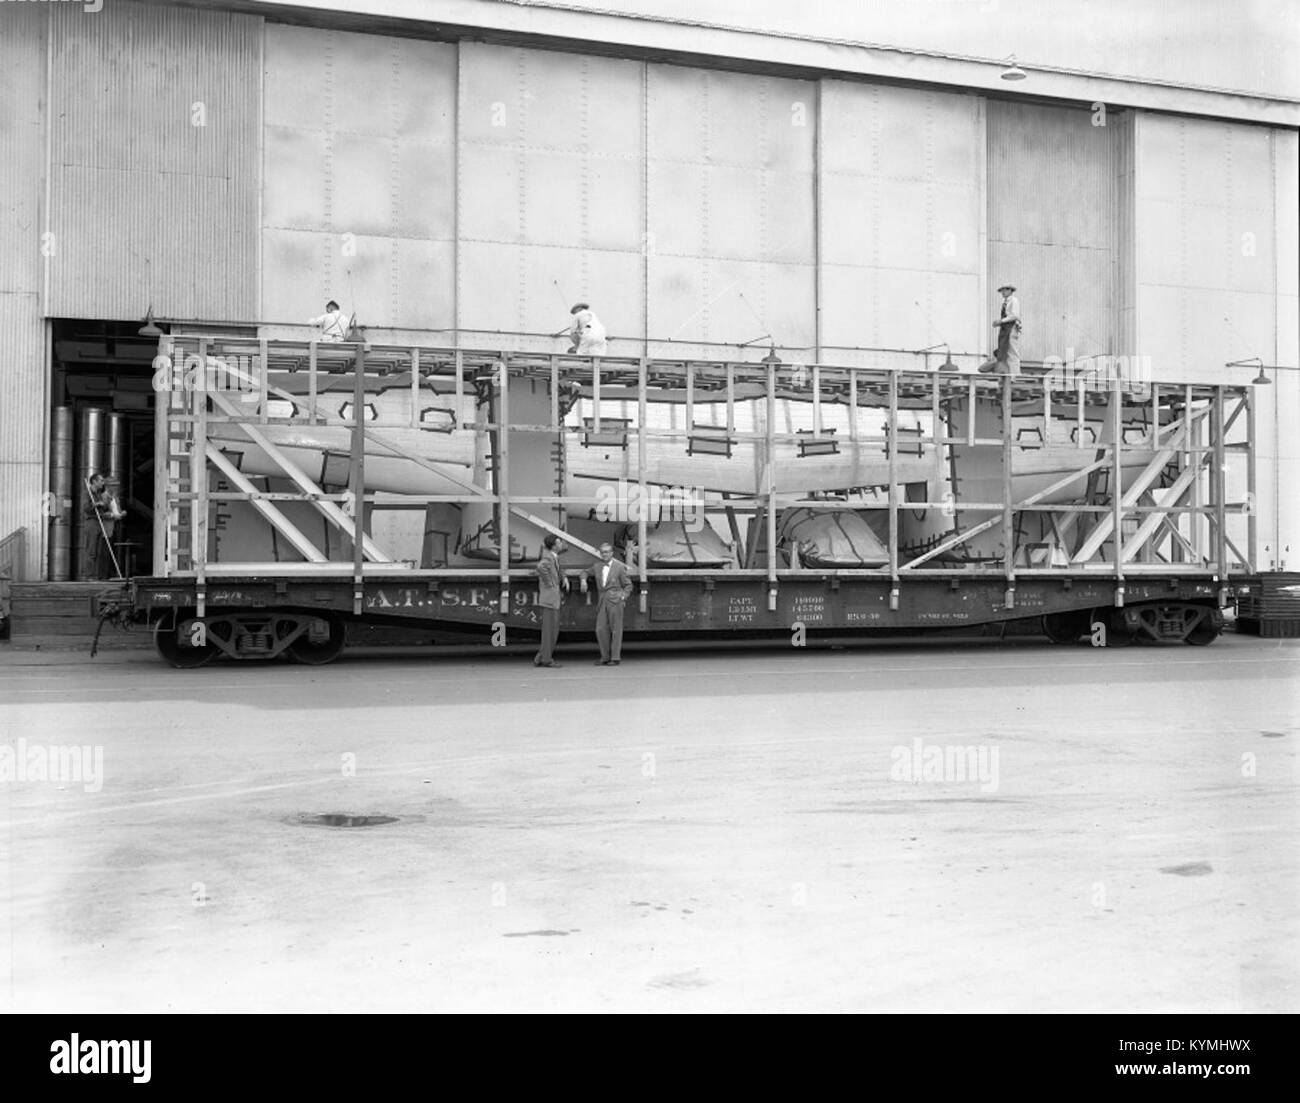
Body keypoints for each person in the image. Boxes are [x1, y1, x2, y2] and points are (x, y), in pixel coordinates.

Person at [590, 542, 632, 665]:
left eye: (607, 551)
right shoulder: (597, 566)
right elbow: (585, 572)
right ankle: (605, 657)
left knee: (616, 629)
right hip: (602, 601)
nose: (605, 554)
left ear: (612, 553)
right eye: (603, 552)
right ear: (600, 553)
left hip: (615, 600)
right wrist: (583, 580)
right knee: (600, 629)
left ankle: (615, 658)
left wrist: (623, 596)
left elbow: (628, 585)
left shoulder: (619, 567)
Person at [534, 534, 569, 668]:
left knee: (552, 630)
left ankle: (540, 657)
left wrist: (564, 577)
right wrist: (551, 584)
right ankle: (546, 660)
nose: (561, 545)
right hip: (550, 599)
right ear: (554, 545)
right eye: (559, 543)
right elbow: (540, 567)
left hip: (551, 599)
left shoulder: (554, 557)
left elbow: (559, 568)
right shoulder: (548, 557)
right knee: (550, 631)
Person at [82, 473, 125, 580]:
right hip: (92, 522)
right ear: (94, 482)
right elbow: (85, 508)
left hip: (100, 522)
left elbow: (104, 507)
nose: (102, 482)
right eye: (100, 480)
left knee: (99, 550)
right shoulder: (87, 493)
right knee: (91, 550)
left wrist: (106, 503)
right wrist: (96, 504)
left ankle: (97, 575)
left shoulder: (98, 494)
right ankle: (89, 576)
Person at [980, 284, 1021, 372]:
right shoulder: (1004, 302)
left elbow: (1014, 315)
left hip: (1012, 328)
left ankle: (1015, 375)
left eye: (1005, 290)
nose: (1003, 292)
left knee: (1012, 352)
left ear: (1010, 290)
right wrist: (999, 323)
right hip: (1005, 329)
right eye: (1002, 291)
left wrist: (1001, 321)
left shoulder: (1014, 301)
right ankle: (1008, 373)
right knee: (1004, 351)